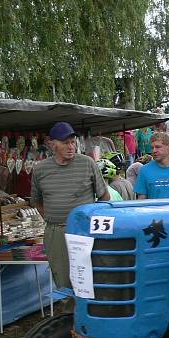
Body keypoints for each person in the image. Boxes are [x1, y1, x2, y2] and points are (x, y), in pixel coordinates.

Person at [31, 122, 109, 289]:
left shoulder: (87, 163)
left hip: (84, 230)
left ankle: (91, 312)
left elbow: (104, 197)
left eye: (73, 142)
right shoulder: (40, 169)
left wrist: (91, 222)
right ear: (52, 144)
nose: (71, 146)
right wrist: (53, 219)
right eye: (65, 142)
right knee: (63, 281)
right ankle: (68, 313)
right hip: (56, 232)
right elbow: (36, 201)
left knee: (91, 279)